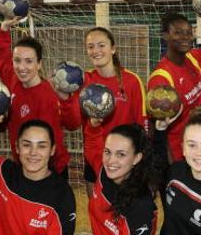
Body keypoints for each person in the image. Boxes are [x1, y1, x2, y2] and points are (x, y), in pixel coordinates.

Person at [0, 16, 80, 177]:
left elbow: (73, 124)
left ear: (39, 64)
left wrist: (66, 99)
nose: (22, 67)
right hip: (22, 165)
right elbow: (0, 57)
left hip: (51, 169)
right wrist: (4, 29)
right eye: (17, 60)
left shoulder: (49, 95)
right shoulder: (13, 79)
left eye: (29, 61)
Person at [63, 27, 148, 194]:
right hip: (94, 156)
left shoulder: (131, 81)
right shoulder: (83, 80)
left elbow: (142, 124)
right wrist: (66, 98)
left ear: (113, 49)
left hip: (125, 160)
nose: (96, 51)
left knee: (127, 213)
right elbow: (72, 124)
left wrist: (141, 162)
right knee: (97, 213)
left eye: (101, 45)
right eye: (90, 46)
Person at [148, 11, 201, 161]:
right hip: (178, 154)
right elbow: (157, 128)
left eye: (188, 33)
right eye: (178, 33)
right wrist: (170, 167)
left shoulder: (194, 58)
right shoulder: (161, 78)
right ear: (165, 36)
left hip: (199, 147)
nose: (185, 37)